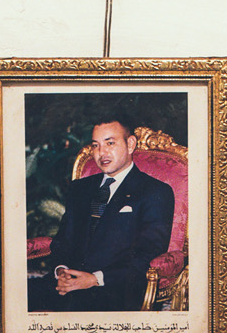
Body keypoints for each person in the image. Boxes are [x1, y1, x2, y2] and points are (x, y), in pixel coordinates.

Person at [28, 117, 175, 312]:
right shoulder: (80, 188)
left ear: (130, 144)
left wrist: (94, 279)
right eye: (96, 145)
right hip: (65, 285)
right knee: (9, 299)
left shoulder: (155, 192)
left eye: (110, 143)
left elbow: (148, 255)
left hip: (115, 291)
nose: (101, 153)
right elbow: (63, 240)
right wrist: (61, 270)